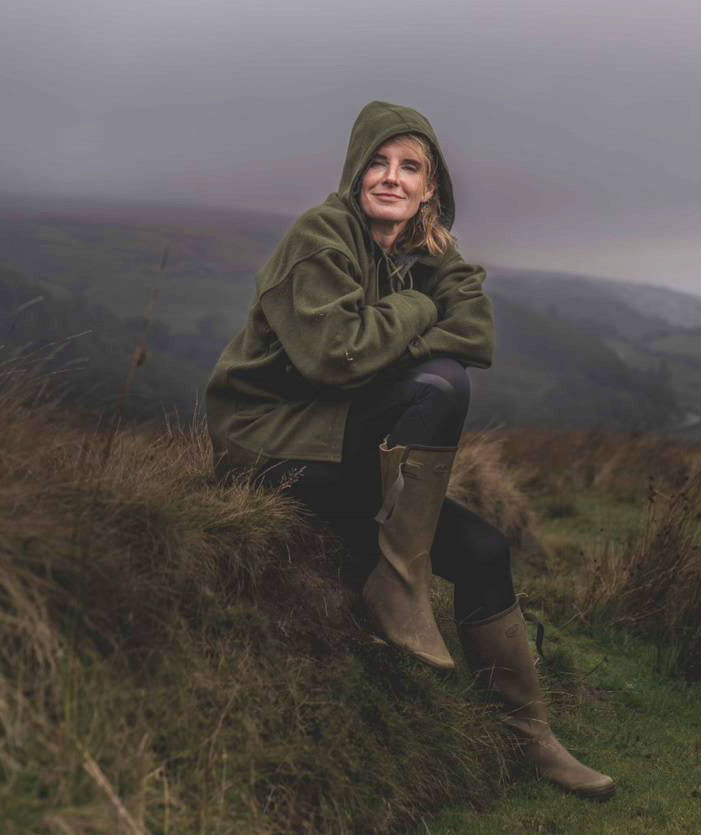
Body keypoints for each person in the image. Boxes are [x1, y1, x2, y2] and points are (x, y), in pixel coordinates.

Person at [204, 100, 614, 800]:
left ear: (430, 189)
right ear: (354, 171)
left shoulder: (412, 251)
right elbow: (337, 354)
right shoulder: (321, 235)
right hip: (275, 451)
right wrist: (424, 310)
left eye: (410, 167)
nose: (390, 177)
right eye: (377, 162)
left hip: (345, 449)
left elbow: (477, 330)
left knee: (484, 550)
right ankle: (393, 579)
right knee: (439, 382)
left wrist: (433, 275)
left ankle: (530, 738)